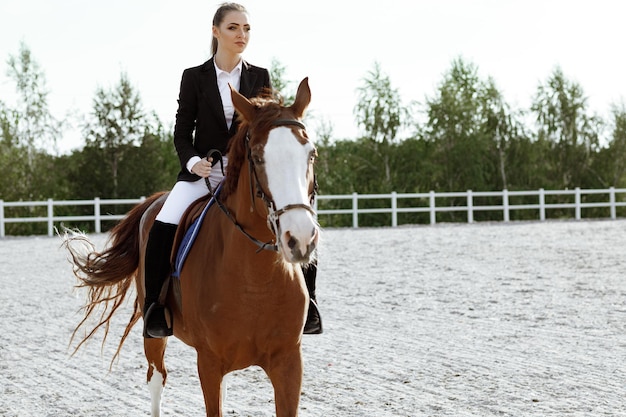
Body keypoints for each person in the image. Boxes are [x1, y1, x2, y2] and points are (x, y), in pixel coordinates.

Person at [143, 2, 322, 338]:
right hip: (203, 174)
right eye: (234, 28)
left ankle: (309, 302)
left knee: (302, 213)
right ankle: (155, 307)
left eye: (247, 29)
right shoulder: (193, 77)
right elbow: (182, 133)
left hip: (247, 174)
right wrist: (193, 162)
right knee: (164, 222)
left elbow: (265, 128)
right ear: (216, 32)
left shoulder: (260, 76)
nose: (242, 35)